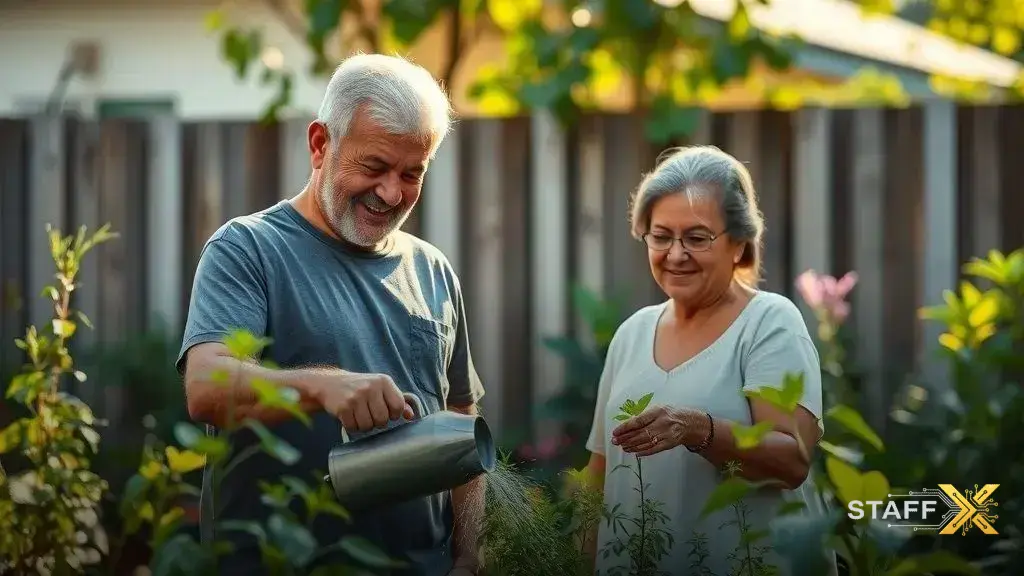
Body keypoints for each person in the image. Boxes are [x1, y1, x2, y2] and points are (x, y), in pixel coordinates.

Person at [177, 54, 485, 576]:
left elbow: (461, 420)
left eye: (413, 173)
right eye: (374, 167)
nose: (392, 192)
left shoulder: (434, 271)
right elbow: (206, 388)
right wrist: (324, 387)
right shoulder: (248, 249)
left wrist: (468, 555)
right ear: (321, 144)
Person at [583, 146, 835, 575]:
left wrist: (698, 428)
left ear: (738, 244)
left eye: (697, 238)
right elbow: (599, 477)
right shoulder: (632, 333)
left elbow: (792, 460)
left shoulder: (768, 323)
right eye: (661, 236)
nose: (675, 254)